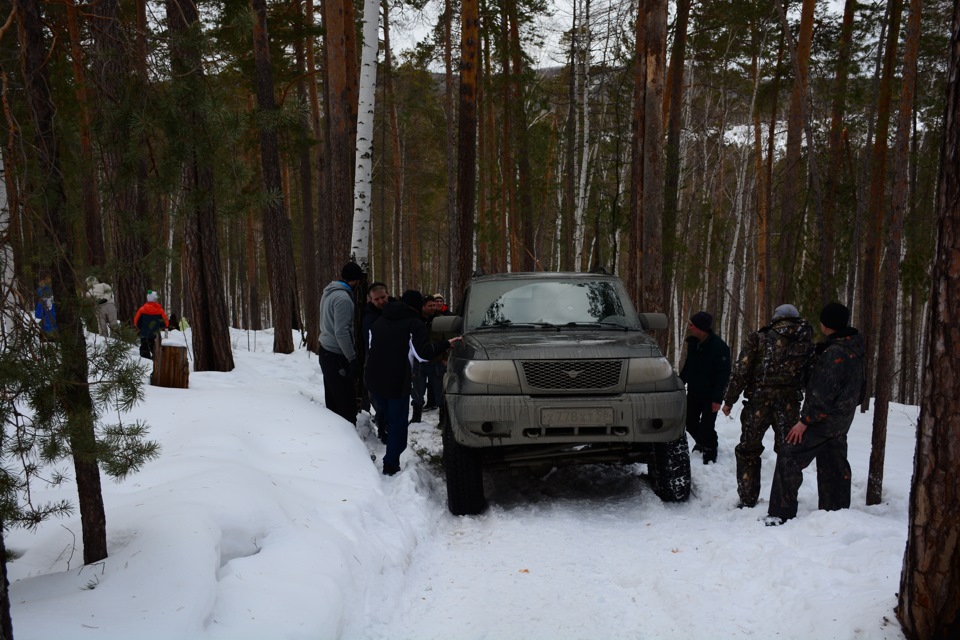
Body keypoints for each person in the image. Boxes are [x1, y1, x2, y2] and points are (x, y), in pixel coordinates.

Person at [766, 302, 865, 525]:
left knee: (789, 454)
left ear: (826, 323)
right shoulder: (854, 348)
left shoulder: (835, 353)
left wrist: (804, 421)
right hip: (841, 419)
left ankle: (781, 513)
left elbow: (821, 393)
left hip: (823, 420)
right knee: (833, 461)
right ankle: (836, 511)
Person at [722, 304, 814, 508]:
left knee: (748, 450)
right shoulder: (806, 341)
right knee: (788, 452)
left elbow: (741, 370)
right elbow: (811, 379)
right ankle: (785, 500)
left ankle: (747, 499)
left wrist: (729, 399)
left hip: (758, 403)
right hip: (789, 405)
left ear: (776, 318)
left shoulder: (760, 337)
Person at [366, 290, 461, 476]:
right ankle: (391, 464)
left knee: (384, 415)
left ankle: (384, 440)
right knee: (398, 423)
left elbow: (371, 347)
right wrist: (446, 344)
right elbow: (423, 354)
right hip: (396, 380)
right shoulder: (414, 323)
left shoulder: (378, 320)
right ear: (417, 305)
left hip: (373, 377)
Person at [678, 311, 731, 464]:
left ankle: (710, 448)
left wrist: (717, 399)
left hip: (710, 395)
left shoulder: (720, 348)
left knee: (707, 426)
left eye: (691, 325)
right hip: (694, 392)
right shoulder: (694, 344)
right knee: (690, 423)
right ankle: (703, 442)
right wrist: (680, 383)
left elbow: (723, 375)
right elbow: (688, 366)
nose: (689, 327)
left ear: (700, 327)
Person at [319, 262, 363, 425]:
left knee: (333, 402)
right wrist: (351, 359)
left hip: (326, 350)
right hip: (336, 355)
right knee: (345, 405)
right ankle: (347, 444)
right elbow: (341, 331)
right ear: (357, 281)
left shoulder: (329, 292)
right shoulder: (343, 299)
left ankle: (335, 440)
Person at [362, 282, 390, 442]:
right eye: (377, 299)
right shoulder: (368, 317)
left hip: (394, 360)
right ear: (370, 300)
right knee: (377, 397)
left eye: (383, 297)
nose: (381, 301)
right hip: (374, 361)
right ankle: (382, 425)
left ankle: (389, 425)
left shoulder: (395, 309)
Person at [410, 295, 441, 420]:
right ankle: (416, 418)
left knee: (440, 392)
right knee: (417, 392)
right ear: (423, 307)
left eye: (434, 305)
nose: (433, 308)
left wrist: (445, 358)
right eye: (430, 305)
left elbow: (447, 338)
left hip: (437, 361)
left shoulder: (440, 320)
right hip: (419, 362)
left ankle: (443, 419)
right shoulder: (415, 321)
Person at [134, 290, 169, 359]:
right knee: (155, 350)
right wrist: (160, 327)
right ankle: (156, 362)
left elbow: (136, 321)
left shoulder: (142, 309)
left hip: (144, 334)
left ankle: (145, 364)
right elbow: (166, 323)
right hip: (155, 335)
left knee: (144, 349)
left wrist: (140, 328)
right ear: (155, 299)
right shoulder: (160, 311)